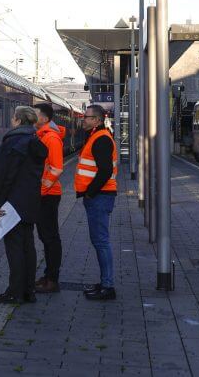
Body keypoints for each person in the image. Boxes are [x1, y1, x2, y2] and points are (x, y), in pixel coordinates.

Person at [0, 106, 47, 304]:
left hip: (12, 204)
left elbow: (2, 177)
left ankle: (15, 292)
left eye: (12, 118)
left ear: (17, 120)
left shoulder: (14, 143)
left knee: (15, 248)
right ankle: (28, 291)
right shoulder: (35, 141)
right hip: (29, 202)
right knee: (28, 246)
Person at [76, 104, 118, 301]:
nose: (83, 119)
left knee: (101, 242)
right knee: (99, 241)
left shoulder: (101, 139)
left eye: (87, 117)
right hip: (99, 196)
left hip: (100, 196)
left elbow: (105, 170)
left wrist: (90, 193)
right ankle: (104, 283)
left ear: (98, 120)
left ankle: (108, 287)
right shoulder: (97, 136)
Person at [33, 103, 65, 294]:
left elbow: (56, 169)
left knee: (50, 237)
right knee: (46, 237)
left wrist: (41, 191)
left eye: (35, 114)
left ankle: (52, 280)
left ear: (44, 119)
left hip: (48, 195)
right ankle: (48, 276)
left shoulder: (51, 138)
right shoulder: (42, 136)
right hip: (45, 194)